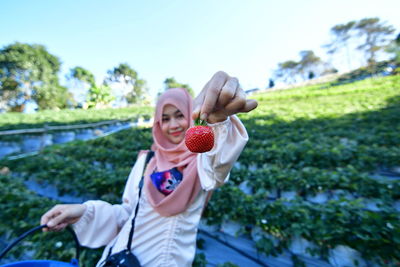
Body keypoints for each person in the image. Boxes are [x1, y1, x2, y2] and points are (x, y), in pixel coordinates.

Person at [40, 71, 258, 266]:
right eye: (165, 118)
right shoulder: (147, 160)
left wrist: (218, 122)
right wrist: (84, 211)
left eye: (180, 115)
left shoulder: (201, 158)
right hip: (118, 258)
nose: (173, 125)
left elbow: (217, 165)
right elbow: (127, 213)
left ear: (191, 114)